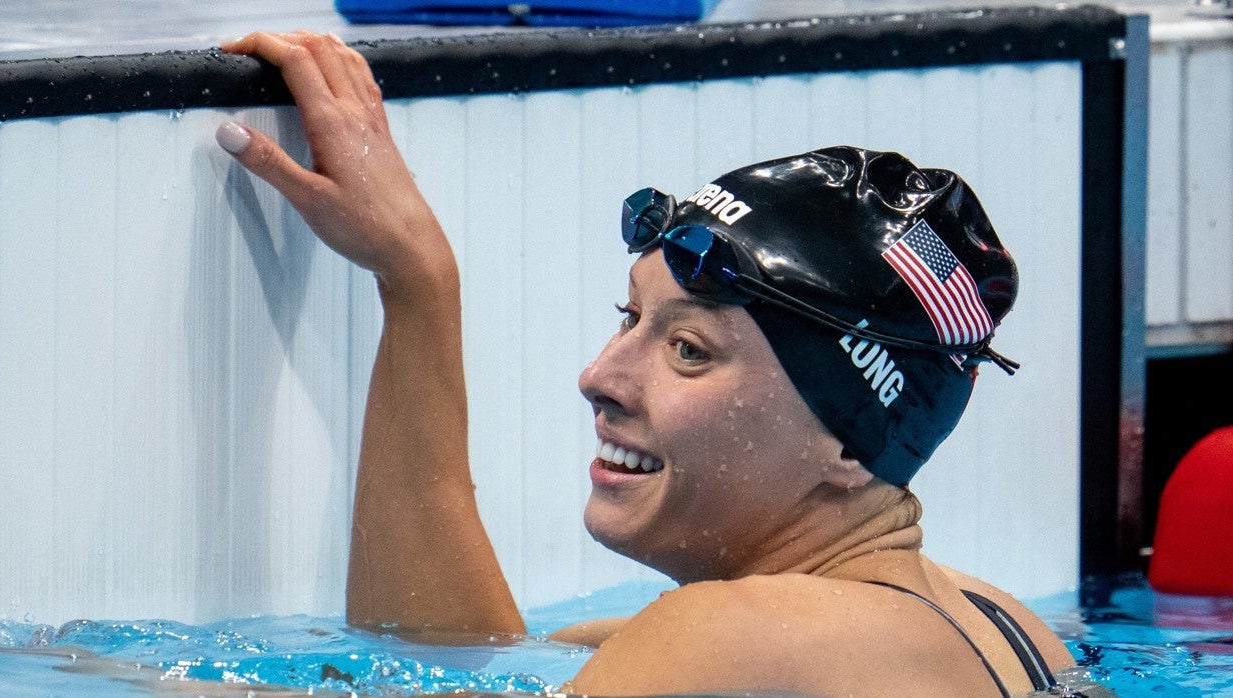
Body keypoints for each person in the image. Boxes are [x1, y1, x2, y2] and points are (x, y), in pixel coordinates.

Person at [215, 30, 1078, 696]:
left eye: (689, 350)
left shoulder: (730, 633)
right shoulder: (1005, 627)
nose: (601, 375)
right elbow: (456, 660)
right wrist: (415, 285)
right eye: (630, 317)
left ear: (850, 439)